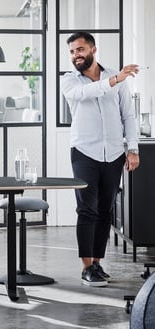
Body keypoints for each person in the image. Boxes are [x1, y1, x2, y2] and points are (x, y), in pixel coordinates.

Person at [61, 31, 140, 287]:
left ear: (93, 50)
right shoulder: (70, 81)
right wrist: (116, 79)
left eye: (80, 50)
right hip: (84, 151)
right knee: (87, 209)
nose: (76, 56)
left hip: (115, 152)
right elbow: (87, 94)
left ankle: (97, 262)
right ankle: (86, 267)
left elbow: (128, 115)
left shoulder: (116, 78)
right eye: (72, 51)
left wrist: (133, 148)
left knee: (106, 209)